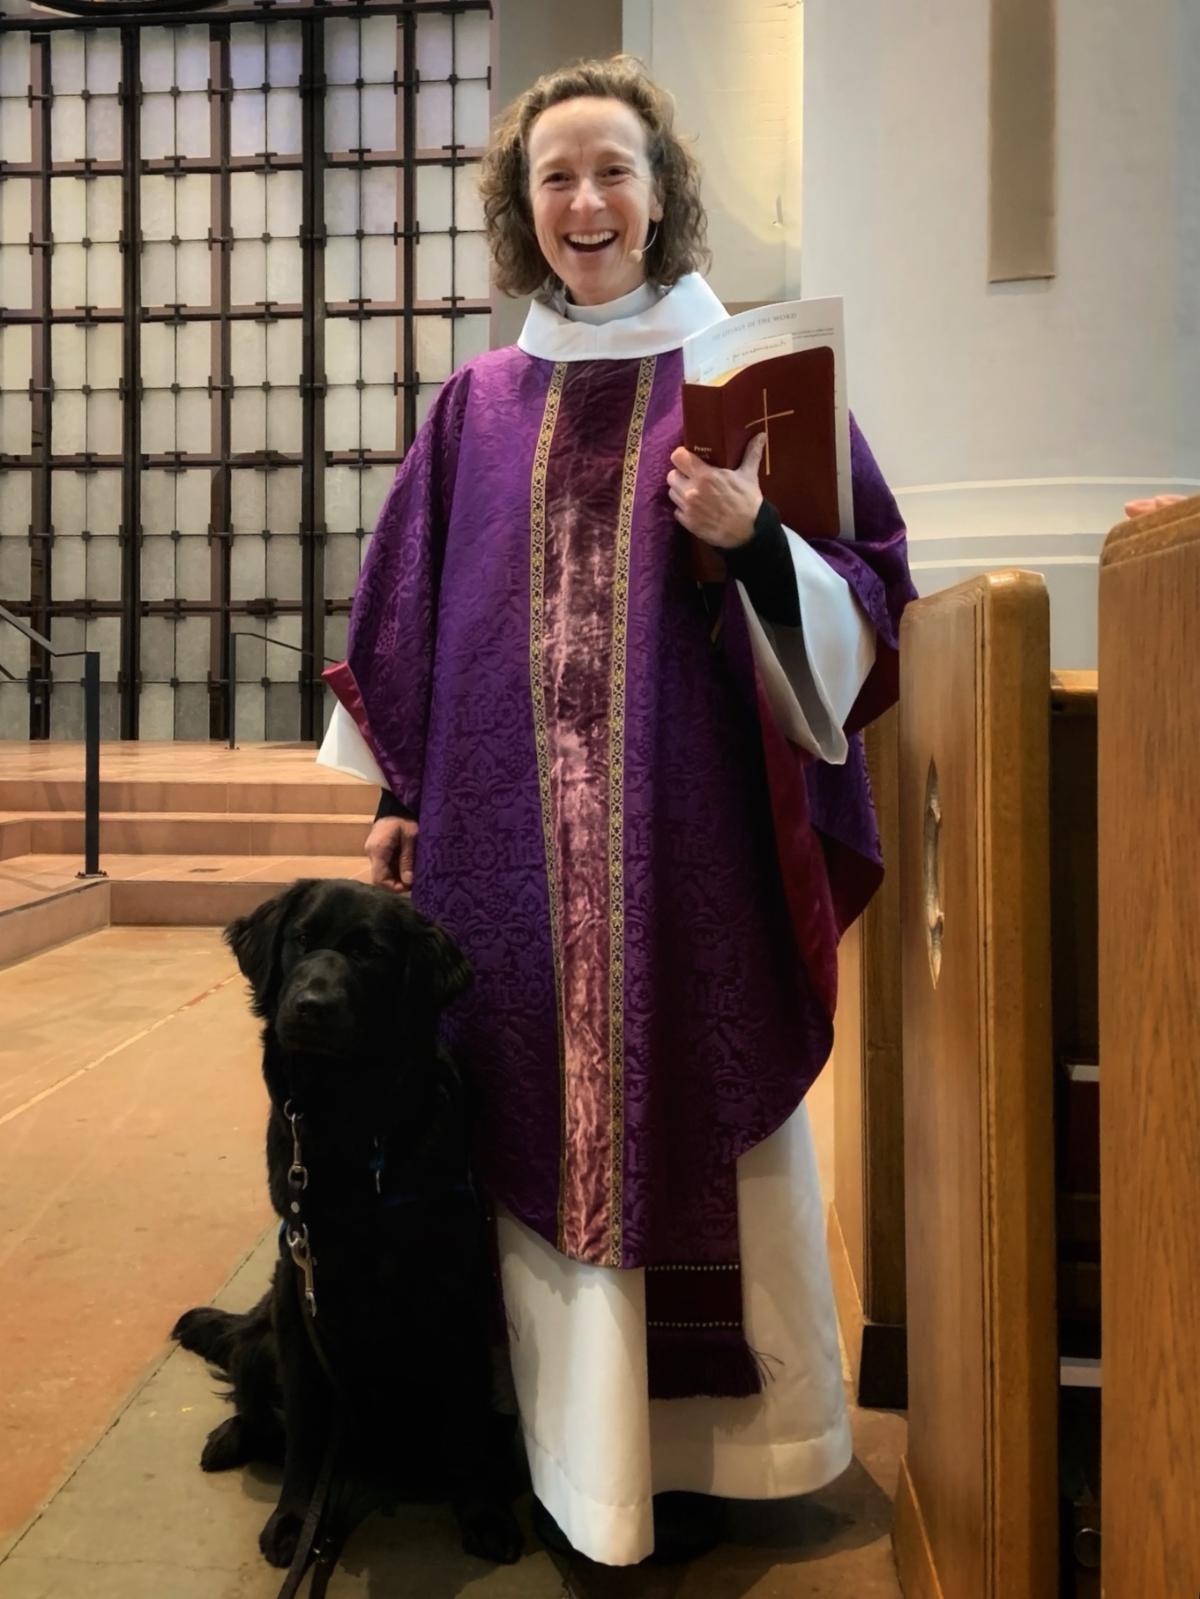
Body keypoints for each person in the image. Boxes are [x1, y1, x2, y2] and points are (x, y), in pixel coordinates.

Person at [318, 55, 916, 1568]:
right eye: (556, 179)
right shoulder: (479, 406)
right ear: (522, 209)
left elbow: (867, 595)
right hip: (504, 850)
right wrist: (401, 792)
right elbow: (417, 615)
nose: (585, 203)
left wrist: (755, 536)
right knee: (525, 1107)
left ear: (663, 193)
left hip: (692, 845)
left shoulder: (757, 377)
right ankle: (578, 1466)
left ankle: (726, 1455)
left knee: (697, 1099)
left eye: (614, 172)